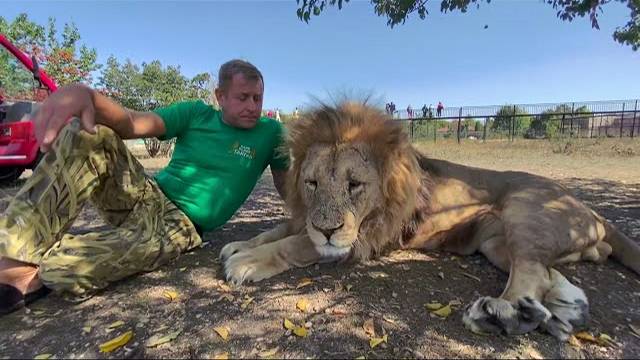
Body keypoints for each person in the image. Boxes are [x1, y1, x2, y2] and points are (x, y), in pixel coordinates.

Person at [0, 59, 289, 315]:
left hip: (181, 226)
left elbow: (285, 183)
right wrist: (87, 95)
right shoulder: (196, 114)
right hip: (145, 195)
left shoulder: (270, 133)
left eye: (257, 98)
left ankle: (49, 264)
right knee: (89, 134)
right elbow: (131, 123)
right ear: (221, 96)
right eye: (243, 97)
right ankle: (15, 263)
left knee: (63, 272)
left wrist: (306, 219)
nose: (252, 106)